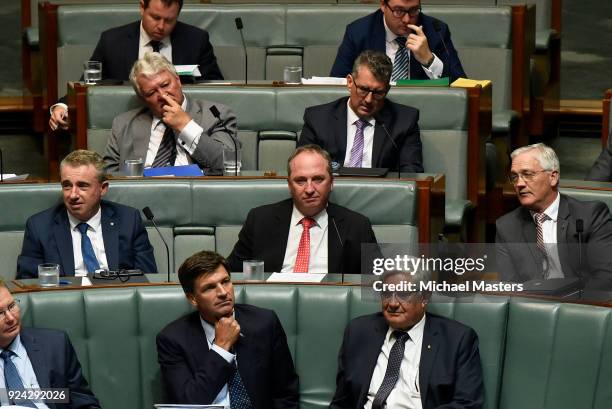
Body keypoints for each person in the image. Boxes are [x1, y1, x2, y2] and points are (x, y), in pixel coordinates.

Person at [49, 0, 224, 131]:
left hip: (182, 124)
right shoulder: (113, 41)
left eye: (169, 20)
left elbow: (215, 88)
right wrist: (63, 107)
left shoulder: (195, 39)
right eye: (155, 17)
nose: (161, 26)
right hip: (128, 127)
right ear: (142, 7)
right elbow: (87, 84)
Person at [156, 250, 299, 408]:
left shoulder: (265, 323)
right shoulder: (172, 339)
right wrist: (221, 348)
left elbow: (286, 395)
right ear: (193, 298)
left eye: (225, 281)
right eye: (209, 288)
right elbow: (188, 404)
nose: (223, 293)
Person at [330, 269, 484, 409]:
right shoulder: (358, 332)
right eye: (386, 293)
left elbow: (467, 404)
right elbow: (342, 401)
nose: (392, 303)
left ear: (424, 297)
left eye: (403, 294)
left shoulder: (457, 339)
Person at [227, 145, 378, 274]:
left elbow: (381, 281)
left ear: (331, 183)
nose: (310, 189)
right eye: (300, 181)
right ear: (289, 185)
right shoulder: (260, 220)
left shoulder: (357, 226)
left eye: (318, 179)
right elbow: (231, 272)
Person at [17, 150, 157, 278]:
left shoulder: (129, 220)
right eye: (67, 185)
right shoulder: (39, 226)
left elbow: (148, 277)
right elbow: (28, 284)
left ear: (103, 188)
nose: (73, 195)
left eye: (82, 186)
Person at [496, 143, 612, 289]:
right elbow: (509, 287)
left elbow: (606, 278)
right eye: (514, 177)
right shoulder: (506, 226)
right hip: (530, 306)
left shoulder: (590, 216)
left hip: (579, 305)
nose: (519, 183)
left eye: (528, 174)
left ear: (553, 177)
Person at [103, 52, 238, 173]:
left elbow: (227, 164)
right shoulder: (123, 124)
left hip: (196, 194)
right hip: (140, 196)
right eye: (151, 92)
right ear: (142, 98)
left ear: (178, 80)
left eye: (165, 85)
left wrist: (186, 127)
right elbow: (109, 178)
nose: (162, 95)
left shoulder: (216, 115)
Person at [299, 50, 423, 173]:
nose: (369, 100)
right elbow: (301, 169)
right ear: (350, 82)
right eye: (363, 89)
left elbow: (411, 174)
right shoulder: (318, 119)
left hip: (381, 191)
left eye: (378, 93)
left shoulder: (404, 121)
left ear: (387, 90)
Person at [0, 281, 101, 408]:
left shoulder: (55, 345)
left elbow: (83, 403)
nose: (10, 318)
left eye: (11, 306)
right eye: (0, 313)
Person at [330, 0, 465, 82]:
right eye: (398, 11)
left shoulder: (436, 31)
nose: (406, 19)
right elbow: (338, 82)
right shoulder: (359, 32)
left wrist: (428, 59)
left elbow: (461, 85)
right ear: (383, 5)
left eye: (413, 10)